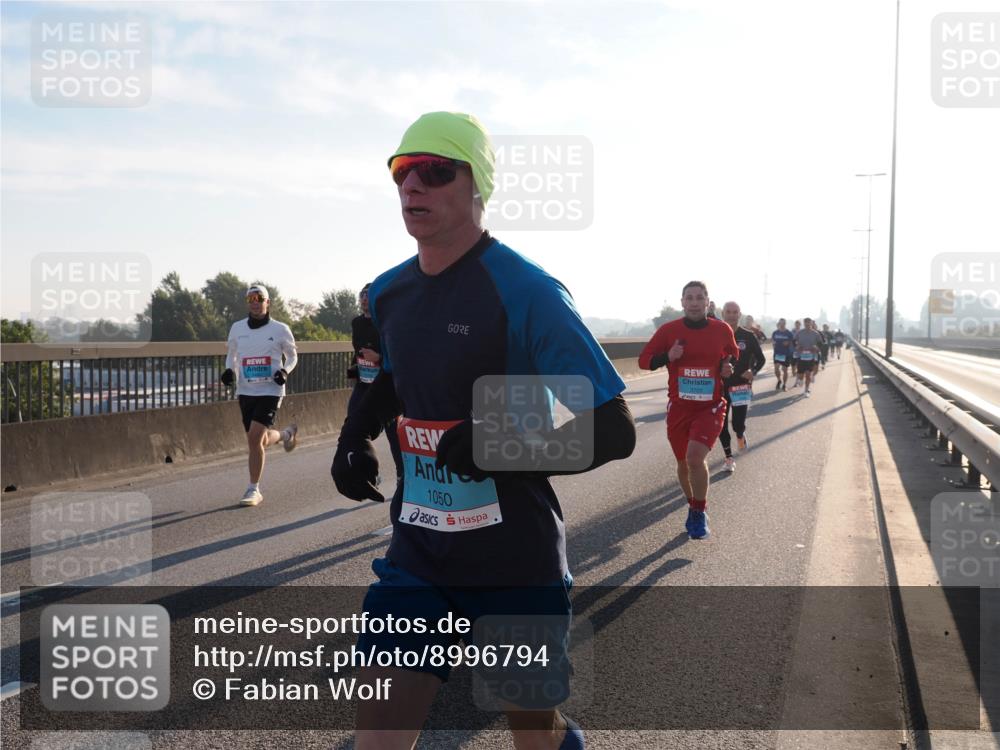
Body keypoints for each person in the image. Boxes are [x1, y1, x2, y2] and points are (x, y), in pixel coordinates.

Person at [331, 111, 636, 750]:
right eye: (402, 172)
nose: (413, 187)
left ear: (479, 188)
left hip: (513, 559)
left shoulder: (528, 291)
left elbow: (613, 426)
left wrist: (502, 444)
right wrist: (353, 436)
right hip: (418, 553)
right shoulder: (388, 293)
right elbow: (389, 378)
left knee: (533, 734)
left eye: (436, 171)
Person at [638, 281, 737, 539]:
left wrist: (727, 368)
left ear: (707, 302)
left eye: (699, 297)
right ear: (682, 302)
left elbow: (731, 356)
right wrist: (667, 356)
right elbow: (643, 361)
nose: (694, 302)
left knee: (695, 458)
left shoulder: (721, 329)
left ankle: (698, 512)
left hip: (710, 406)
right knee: (683, 463)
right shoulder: (669, 331)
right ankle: (692, 504)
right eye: (689, 298)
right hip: (680, 408)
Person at [220, 285, 298, 506]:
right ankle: (286, 435)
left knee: (254, 439)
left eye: (259, 298)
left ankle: (253, 489)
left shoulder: (280, 329)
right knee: (260, 440)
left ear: (268, 302)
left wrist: (285, 371)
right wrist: (229, 371)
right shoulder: (237, 328)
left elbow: (292, 356)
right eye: (250, 298)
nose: (255, 302)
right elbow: (231, 355)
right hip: (246, 390)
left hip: (271, 390)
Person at [348, 283, 403, 480]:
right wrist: (353, 371)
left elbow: (397, 355)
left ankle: (401, 475)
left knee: (392, 432)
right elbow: (358, 352)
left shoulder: (385, 322)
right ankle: (371, 472)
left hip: (384, 385)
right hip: (363, 384)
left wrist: (378, 358)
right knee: (354, 425)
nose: (364, 298)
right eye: (362, 294)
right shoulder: (356, 323)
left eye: (369, 295)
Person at [718, 302, 766, 472]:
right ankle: (729, 458)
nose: (731, 315)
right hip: (720, 387)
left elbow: (761, 359)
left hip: (740, 387)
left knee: (738, 424)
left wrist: (752, 371)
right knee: (720, 425)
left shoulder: (748, 336)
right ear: (722, 313)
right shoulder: (714, 334)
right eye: (728, 312)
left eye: (735, 312)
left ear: (739, 314)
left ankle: (740, 434)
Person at [794, 317, 823, 397]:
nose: (807, 325)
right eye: (806, 324)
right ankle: (800, 379)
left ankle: (806, 390)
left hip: (811, 356)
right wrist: (797, 346)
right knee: (800, 375)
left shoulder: (815, 333)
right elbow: (794, 341)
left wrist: (817, 348)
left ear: (811, 324)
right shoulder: (799, 333)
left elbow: (820, 343)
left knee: (808, 374)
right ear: (804, 324)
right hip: (801, 356)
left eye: (809, 324)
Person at [771, 318, 795, 391]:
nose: (782, 325)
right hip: (777, 353)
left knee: (785, 370)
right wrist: (773, 344)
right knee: (776, 369)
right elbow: (772, 340)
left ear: (785, 324)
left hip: (785, 354)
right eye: (781, 323)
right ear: (779, 323)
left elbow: (793, 342)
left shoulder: (789, 333)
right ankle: (779, 380)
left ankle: (784, 385)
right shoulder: (775, 332)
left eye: (783, 323)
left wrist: (788, 343)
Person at [791, 320, 803, 387]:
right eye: (796, 324)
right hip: (793, 351)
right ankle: (796, 376)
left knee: (799, 366)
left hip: (801, 352)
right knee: (793, 367)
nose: (797, 325)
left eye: (798, 324)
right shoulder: (792, 331)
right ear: (795, 324)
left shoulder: (802, 332)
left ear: (800, 325)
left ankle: (797, 381)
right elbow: (790, 339)